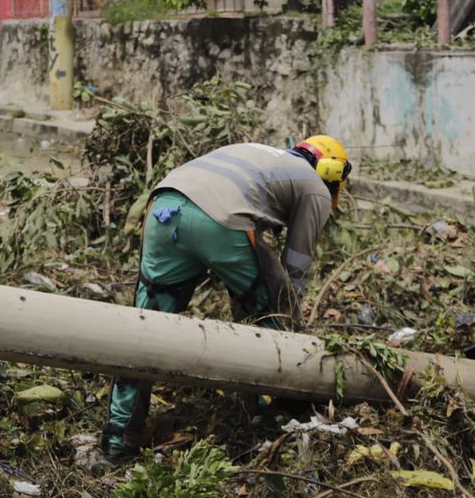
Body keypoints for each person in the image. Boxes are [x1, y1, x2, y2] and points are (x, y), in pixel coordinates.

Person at [101, 135, 349, 460]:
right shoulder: (316, 187)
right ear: (331, 172)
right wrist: (286, 312)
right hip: (220, 220)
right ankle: (271, 426)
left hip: (163, 206)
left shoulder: (262, 154)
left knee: (145, 328)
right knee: (271, 320)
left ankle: (117, 442)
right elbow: (297, 261)